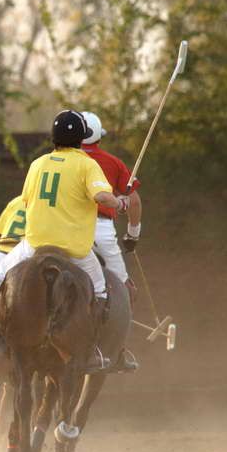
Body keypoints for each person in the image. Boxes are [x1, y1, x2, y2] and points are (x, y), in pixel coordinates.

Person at [0, 110, 129, 371]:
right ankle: (93, 350)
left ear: (53, 138)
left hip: (33, 244)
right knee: (101, 291)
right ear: (81, 139)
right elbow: (101, 197)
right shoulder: (88, 164)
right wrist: (119, 203)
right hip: (75, 250)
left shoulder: (37, 164)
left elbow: (27, 201)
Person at [81, 111, 142, 372]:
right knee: (125, 290)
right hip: (100, 229)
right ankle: (117, 350)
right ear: (99, 138)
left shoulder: (53, 160)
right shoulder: (112, 163)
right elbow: (135, 201)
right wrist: (133, 234)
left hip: (63, 226)